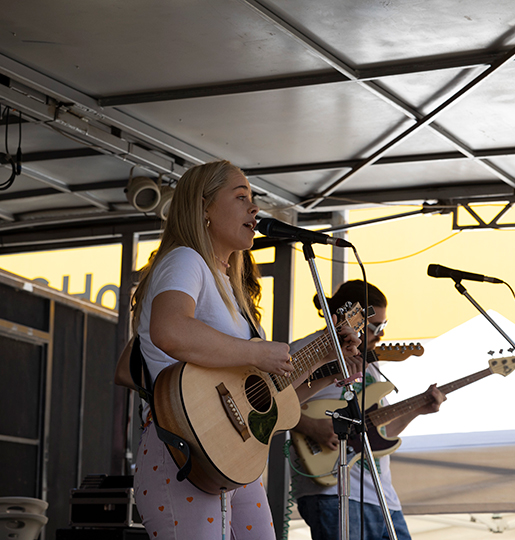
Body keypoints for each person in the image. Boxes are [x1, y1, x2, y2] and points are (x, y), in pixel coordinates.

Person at [113, 160, 360, 540]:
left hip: (229, 458)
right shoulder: (185, 260)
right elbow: (170, 329)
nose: (255, 208)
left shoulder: (229, 284)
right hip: (180, 450)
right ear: (204, 207)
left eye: (254, 198)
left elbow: (264, 398)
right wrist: (257, 354)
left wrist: (324, 358)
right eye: (241, 196)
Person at [290, 280, 447, 540]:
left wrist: (418, 409)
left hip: (383, 497)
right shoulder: (308, 352)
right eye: (374, 326)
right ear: (347, 317)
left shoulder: (369, 365)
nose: (381, 334)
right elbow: (271, 404)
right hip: (334, 493)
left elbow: (379, 433)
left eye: (384, 325)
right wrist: (311, 426)